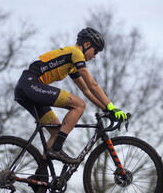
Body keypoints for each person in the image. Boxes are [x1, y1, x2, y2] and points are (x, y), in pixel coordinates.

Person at [14, 27, 127, 164]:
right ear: (86, 45)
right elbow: (92, 85)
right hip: (31, 84)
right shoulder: (75, 53)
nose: (95, 55)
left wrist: (106, 109)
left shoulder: (71, 64)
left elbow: (86, 90)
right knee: (79, 105)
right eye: (95, 50)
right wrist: (112, 107)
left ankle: (41, 179)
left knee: (56, 133)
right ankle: (57, 149)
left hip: (26, 88)